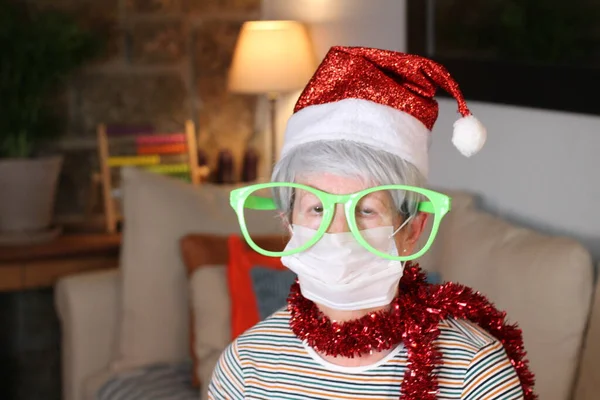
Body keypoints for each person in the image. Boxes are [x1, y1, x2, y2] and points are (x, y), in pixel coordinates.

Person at [209, 46, 536, 399]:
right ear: (289, 222)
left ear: (412, 230)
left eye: (366, 211)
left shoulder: (475, 369)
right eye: (316, 209)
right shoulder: (246, 366)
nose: (337, 231)